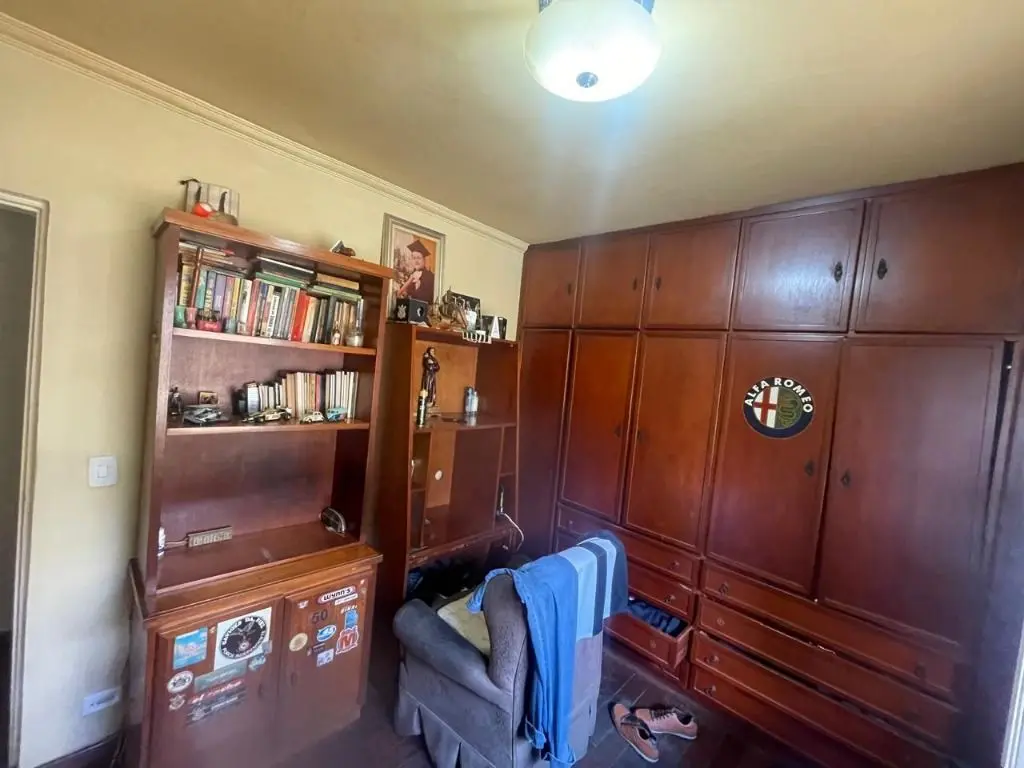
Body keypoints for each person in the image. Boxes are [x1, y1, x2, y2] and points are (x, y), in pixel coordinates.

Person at [397, 238, 435, 303]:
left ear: (424, 260)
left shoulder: (430, 277)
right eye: (414, 258)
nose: (416, 261)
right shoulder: (410, 276)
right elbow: (400, 294)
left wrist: (418, 286)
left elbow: (429, 299)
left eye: (419, 258)